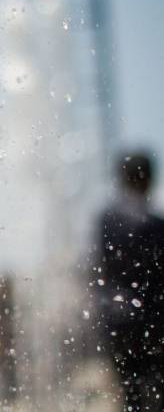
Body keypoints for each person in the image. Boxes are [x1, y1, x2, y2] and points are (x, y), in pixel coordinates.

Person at [95, 151, 164, 411]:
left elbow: (102, 271)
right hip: (154, 325)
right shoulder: (157, 225)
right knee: (156, 394)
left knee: (130, 394)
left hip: (117, 321)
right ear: (150, 180)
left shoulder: (106, 220)